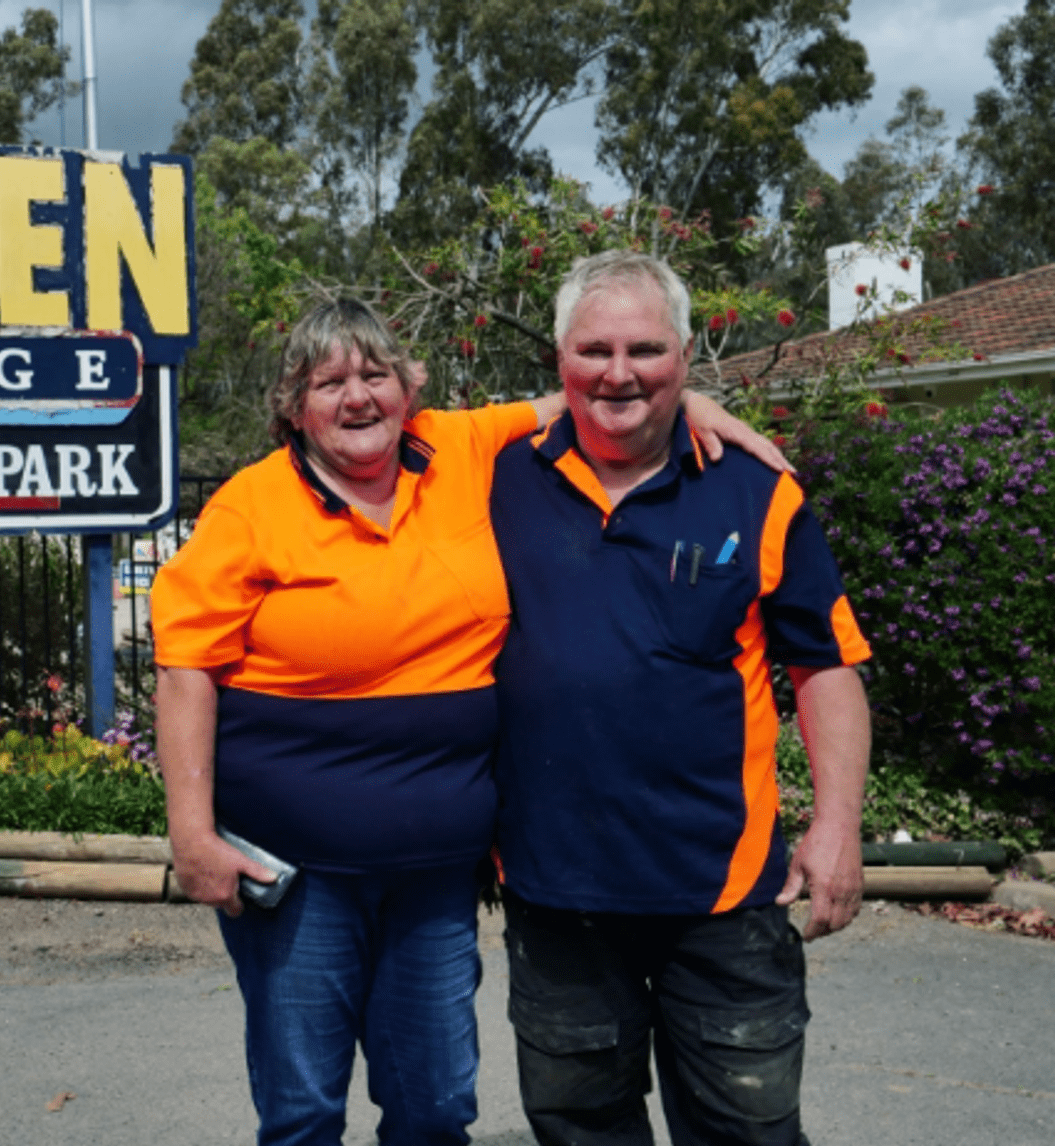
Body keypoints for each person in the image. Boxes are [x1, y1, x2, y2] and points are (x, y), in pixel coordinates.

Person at [150, 296, 783, 1146]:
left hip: (437, 869)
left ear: (409, 388)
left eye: (376, 374)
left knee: (437, 1105)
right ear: (293, 406)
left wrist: (691, 401)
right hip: (300, 870)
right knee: (304, 1111)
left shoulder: (456, 447)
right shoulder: (250, 506)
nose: (358, 396)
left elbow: (589, 395)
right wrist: (193, 836)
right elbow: (185, 668)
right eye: (329, 382)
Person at [489, 250, 872, 1146]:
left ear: (687, 356)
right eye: (594, 351)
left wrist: (838, 825)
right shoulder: (491, 479)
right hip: (556, 887)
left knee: (748, 1132)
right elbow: (368, 426)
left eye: (646, 351)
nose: (618, 373)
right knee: (582, 1131)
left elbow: (826, 667)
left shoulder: (757, 490)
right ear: (559, 360)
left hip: (724, 893)